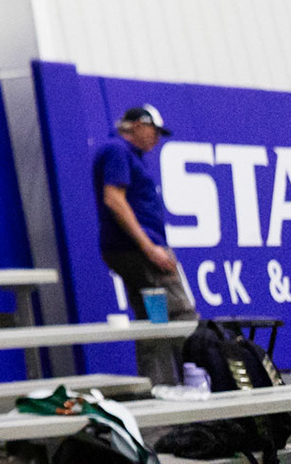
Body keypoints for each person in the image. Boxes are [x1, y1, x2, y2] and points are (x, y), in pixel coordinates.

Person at [94, 104, 197, 385]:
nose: (157, 138)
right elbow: (114, 199)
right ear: (139, 125)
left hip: (131, 251)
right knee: (181, 315)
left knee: (155, 321)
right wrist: (149, 247)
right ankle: (195, 382)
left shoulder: (125, 154)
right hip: (140, 252)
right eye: (155, 131)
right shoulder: (118, 150)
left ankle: (160, 387)